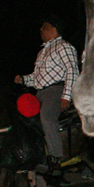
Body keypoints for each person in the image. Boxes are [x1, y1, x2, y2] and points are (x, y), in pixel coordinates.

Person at [15, 15, 79, 174]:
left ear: (54, 28)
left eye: (44, 27)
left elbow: (72, 70)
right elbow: (36, 78)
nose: (41, 30)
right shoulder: (42, 52)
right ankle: (37, 155)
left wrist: (66, 95)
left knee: (46, 117)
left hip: (56, 90)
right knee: (26, 120)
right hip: (40, 92)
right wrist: (23, 79)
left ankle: (56, 157)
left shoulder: (64, 46)